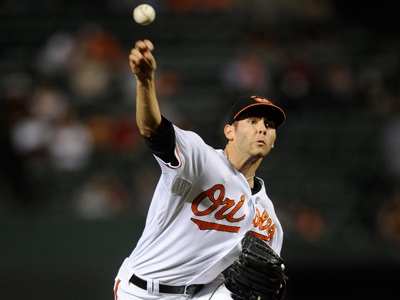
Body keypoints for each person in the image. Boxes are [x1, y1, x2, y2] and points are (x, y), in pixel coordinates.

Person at [114, 39, 287, 300]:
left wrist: (274, 289)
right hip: (142, 291)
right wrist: (145, 81)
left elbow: (267, 281)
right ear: (229, 131)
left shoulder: (269, 220)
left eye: (269, 125)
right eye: (252, 121)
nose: (262, 128)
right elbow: (153, 129)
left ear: (273, 142)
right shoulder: (200, 159)